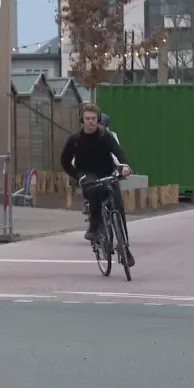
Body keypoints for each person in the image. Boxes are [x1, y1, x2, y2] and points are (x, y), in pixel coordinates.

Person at [60, 104, 135, 267]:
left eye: (94, 119)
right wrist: (78, 177)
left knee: (118, 207)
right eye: (87, 118)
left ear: (98, 119)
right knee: (93, 189)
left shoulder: (105, 137)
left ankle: (125, 248)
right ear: (82, 120)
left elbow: (119, 152)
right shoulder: (75, 140)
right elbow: (64, 162)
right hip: (88, 176)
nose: (91, 122)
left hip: (107, 174)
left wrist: (125, 166)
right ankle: (94, 227)